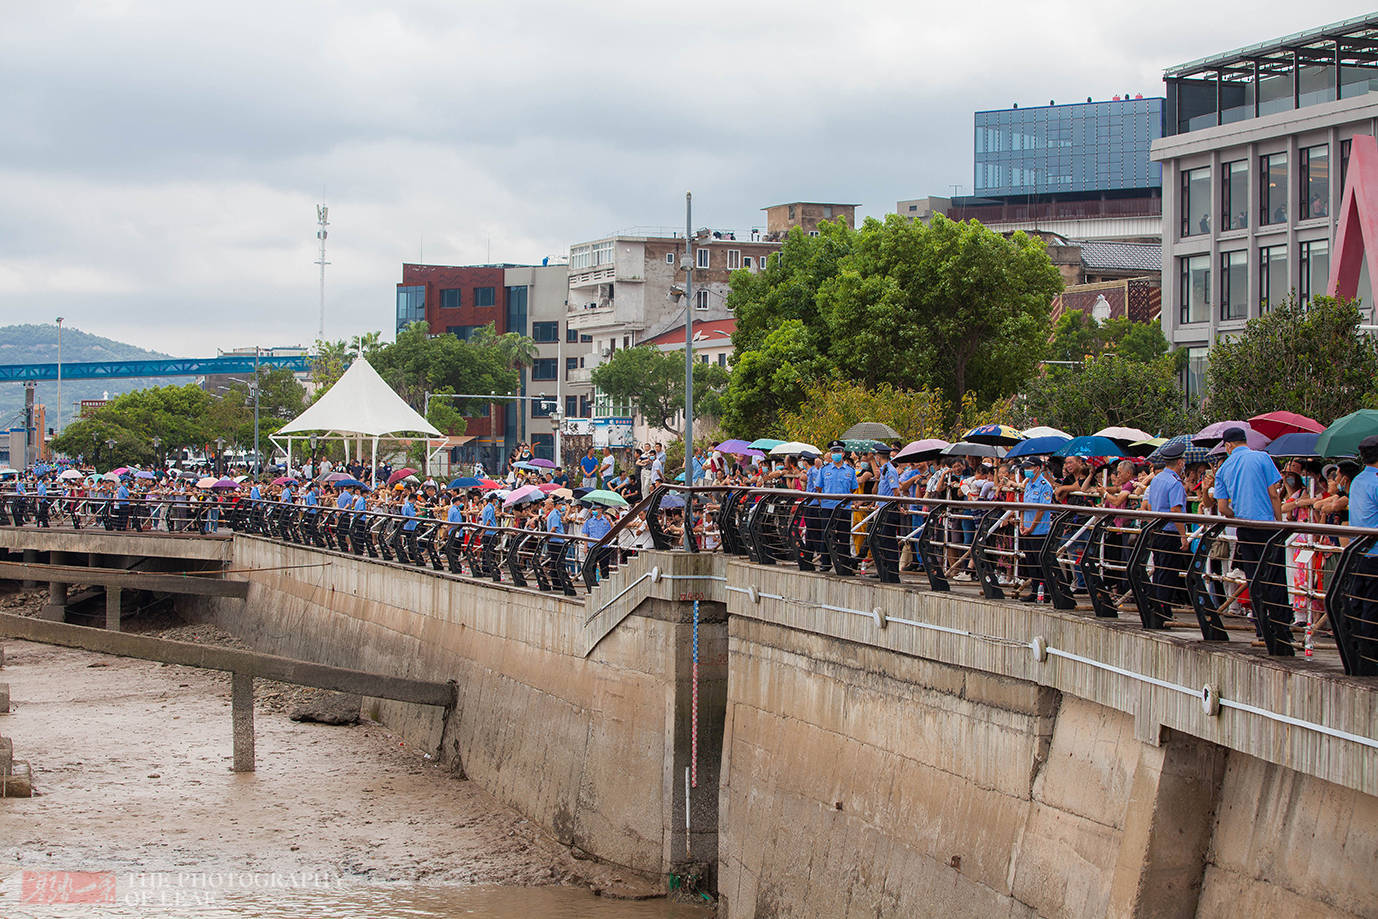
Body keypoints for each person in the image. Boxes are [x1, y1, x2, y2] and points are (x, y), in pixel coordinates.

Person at [1213, 426, 1292, 653]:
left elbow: (1221, 507)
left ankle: (1261, 625)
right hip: (1267, 527)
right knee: (1275, 577)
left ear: (1228, 446)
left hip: (1244, 528)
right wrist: (1278, 522)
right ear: (1244, 441)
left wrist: (1235, 514)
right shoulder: (1262, 458)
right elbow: (1274, 494)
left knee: (1254, 577)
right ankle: (1281, 626)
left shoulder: (1224, 468)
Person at [1343, 435, 1378, 675]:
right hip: (1376, 554)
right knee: (1373, 609)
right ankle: (1370, 659)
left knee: (1361, 605)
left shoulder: (1357, 481)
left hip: (1359, 553)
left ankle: (1361, 655)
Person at [1145, 440, 1190, 617]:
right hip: (1170, 531)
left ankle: (1159, 608)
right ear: (1179, 462)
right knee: (1168, 572)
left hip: (1157, 530)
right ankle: (1163, 610)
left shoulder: (1157, 480)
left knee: (1160, 569)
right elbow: (1176, 510)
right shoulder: (1174, 483)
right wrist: (1183, 536)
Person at [815, 440, 859, 574]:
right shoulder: (824, 469)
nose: (836, 454)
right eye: (834, 452)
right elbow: (818, 487)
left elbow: (853, 489)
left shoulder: (850, 471)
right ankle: (825, 562)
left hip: (844, 508)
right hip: (828, 507)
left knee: (844, 536)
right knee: (826, 534)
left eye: (838, 451)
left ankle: (844, 563)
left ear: (843, 453)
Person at [1017, 457, 1053, 602]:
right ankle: (1035, 590)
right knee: (1030, 562)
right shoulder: (1028, 484)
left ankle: (1046, 592)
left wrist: (1031, 527)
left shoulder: (1044, 485)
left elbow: (1041, 509)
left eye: (1029, 467)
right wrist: (1021, 523)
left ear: (1037, 468)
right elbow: (1024, 506)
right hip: (1026, 528)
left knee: (1040, 562)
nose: (1026, 470)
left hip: (1039, 530)